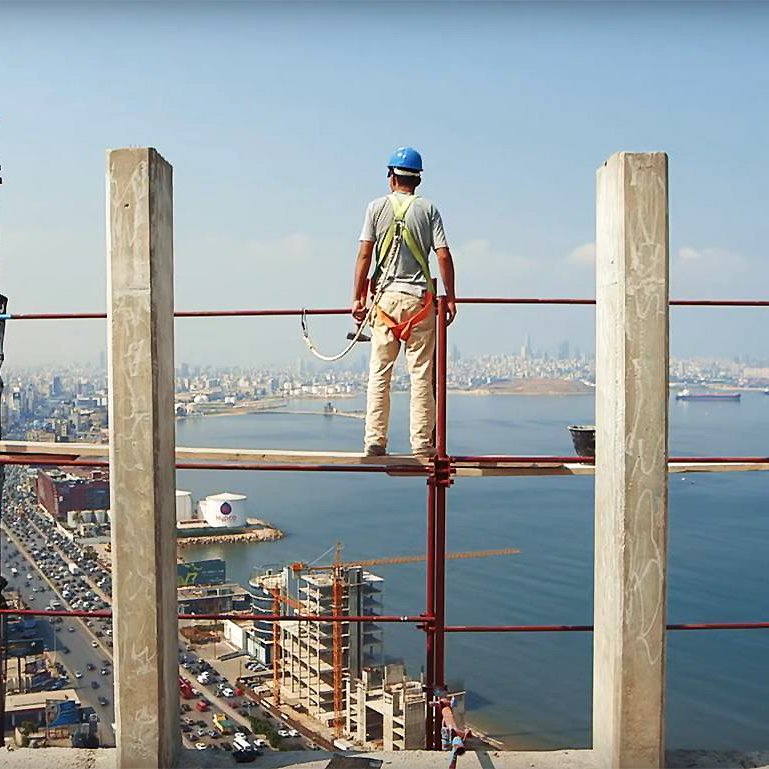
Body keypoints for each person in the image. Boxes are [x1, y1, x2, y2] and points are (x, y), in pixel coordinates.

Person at [351, 146, 457, 456]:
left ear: (390, 177)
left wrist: (357, 297)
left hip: (385, 303)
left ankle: (375, 440)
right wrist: (450, 297)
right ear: (418, 181)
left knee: (380, 373)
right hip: (419, 303)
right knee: (421, 375)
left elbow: (364, 254)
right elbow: (443, 255)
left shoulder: (375, 208)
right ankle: (422, 444)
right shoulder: (429, 210)